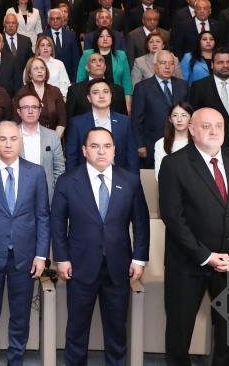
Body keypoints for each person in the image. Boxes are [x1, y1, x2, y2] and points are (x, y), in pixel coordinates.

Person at [158, 107, 229, 366]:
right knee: (179, 333)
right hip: (188, 264)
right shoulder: (174, 164)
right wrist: (205, 256)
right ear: (192, 130)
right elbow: (173, 218)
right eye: (206, 126)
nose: (214, 131)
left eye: (219, 125)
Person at [51, 126, 150, 366]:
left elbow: (141, 222)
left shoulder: (130, 181)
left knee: (117, 331)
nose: (101, 151)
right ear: (84, 150)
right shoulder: (67, 181)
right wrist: (61, 258)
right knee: (76, 330)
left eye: (107, 146)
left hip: (118, 267)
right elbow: (57, 222)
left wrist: (139, 259)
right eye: (95, 146)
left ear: (115, 150)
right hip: (79, 266)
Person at [0, 120, 50, 365]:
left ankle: (16, 360)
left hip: (25, 257)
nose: (8, 144)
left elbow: (43, 216)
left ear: (20, 141)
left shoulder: (36, 173)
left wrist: (41, 255)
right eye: (2, 139)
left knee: (20, 317)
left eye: (13, 139)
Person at [65, 79, 140, 171]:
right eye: (96, 93)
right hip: (86, 176)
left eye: (105, 92)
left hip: (119, 175)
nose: (101, 96)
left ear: (111, 95)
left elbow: (132, 156)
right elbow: (72, 157)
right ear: (89, 98)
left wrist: (133, 179)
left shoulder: (125, 122)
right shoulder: (77, 123)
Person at [132, 51, 190, 168]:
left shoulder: (183, 85)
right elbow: (136, 119)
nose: (167, 67)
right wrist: (140, 144)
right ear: (155, 65)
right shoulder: (142, 88)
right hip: (152, 143)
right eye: (163, 63)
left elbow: (190, 115)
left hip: (181, 143)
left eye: (171, 63)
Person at [77, 27, 134, 106]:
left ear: (112, 40)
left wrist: (128, 105)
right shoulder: (87, 55)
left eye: (108, 36)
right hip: (92, 98)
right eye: (101, 36)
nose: (105, 39)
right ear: (96, 40)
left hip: (116, 97)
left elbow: (126, 81)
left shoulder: (121, 55)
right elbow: (80, 79)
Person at [17, 57, 67, 137]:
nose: (40, 71)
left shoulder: (55, 91)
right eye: (36, 69)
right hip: (29, 137)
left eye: (42, 68)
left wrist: (55, 139)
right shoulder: (22, 92)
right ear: (29, 74)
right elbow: (17, 120)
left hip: (53, 135)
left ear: (46, 72)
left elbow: (62, 119)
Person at [153, 102, 193, 179]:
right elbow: (159, 174)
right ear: (170, 119)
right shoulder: (160, 143)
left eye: (183, 115)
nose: (179, 119)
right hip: (170, 185)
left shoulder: (198, 142)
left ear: (191, 118)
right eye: (175, 115)